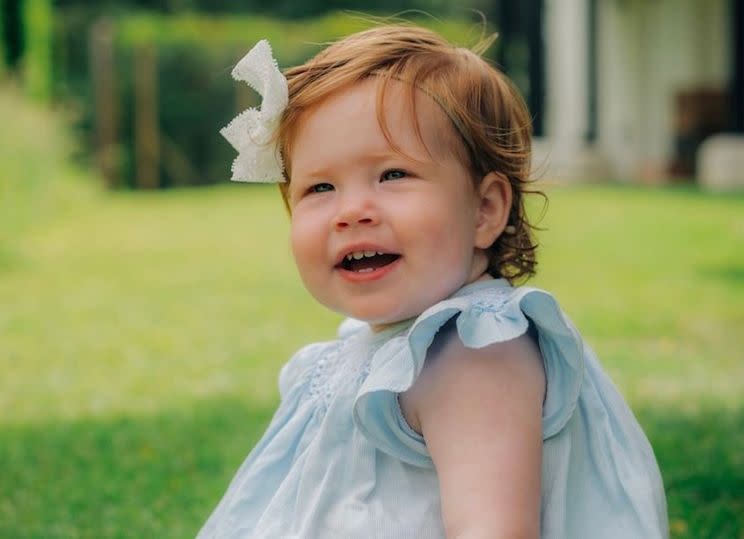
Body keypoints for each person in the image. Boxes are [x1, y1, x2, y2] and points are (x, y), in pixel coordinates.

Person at [198, 25, 668, 538]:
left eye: (393, 175)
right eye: (321, 187)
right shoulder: (380, 347)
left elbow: (493, 528)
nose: (351, 211)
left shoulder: (475, 354)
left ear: (485, 210)